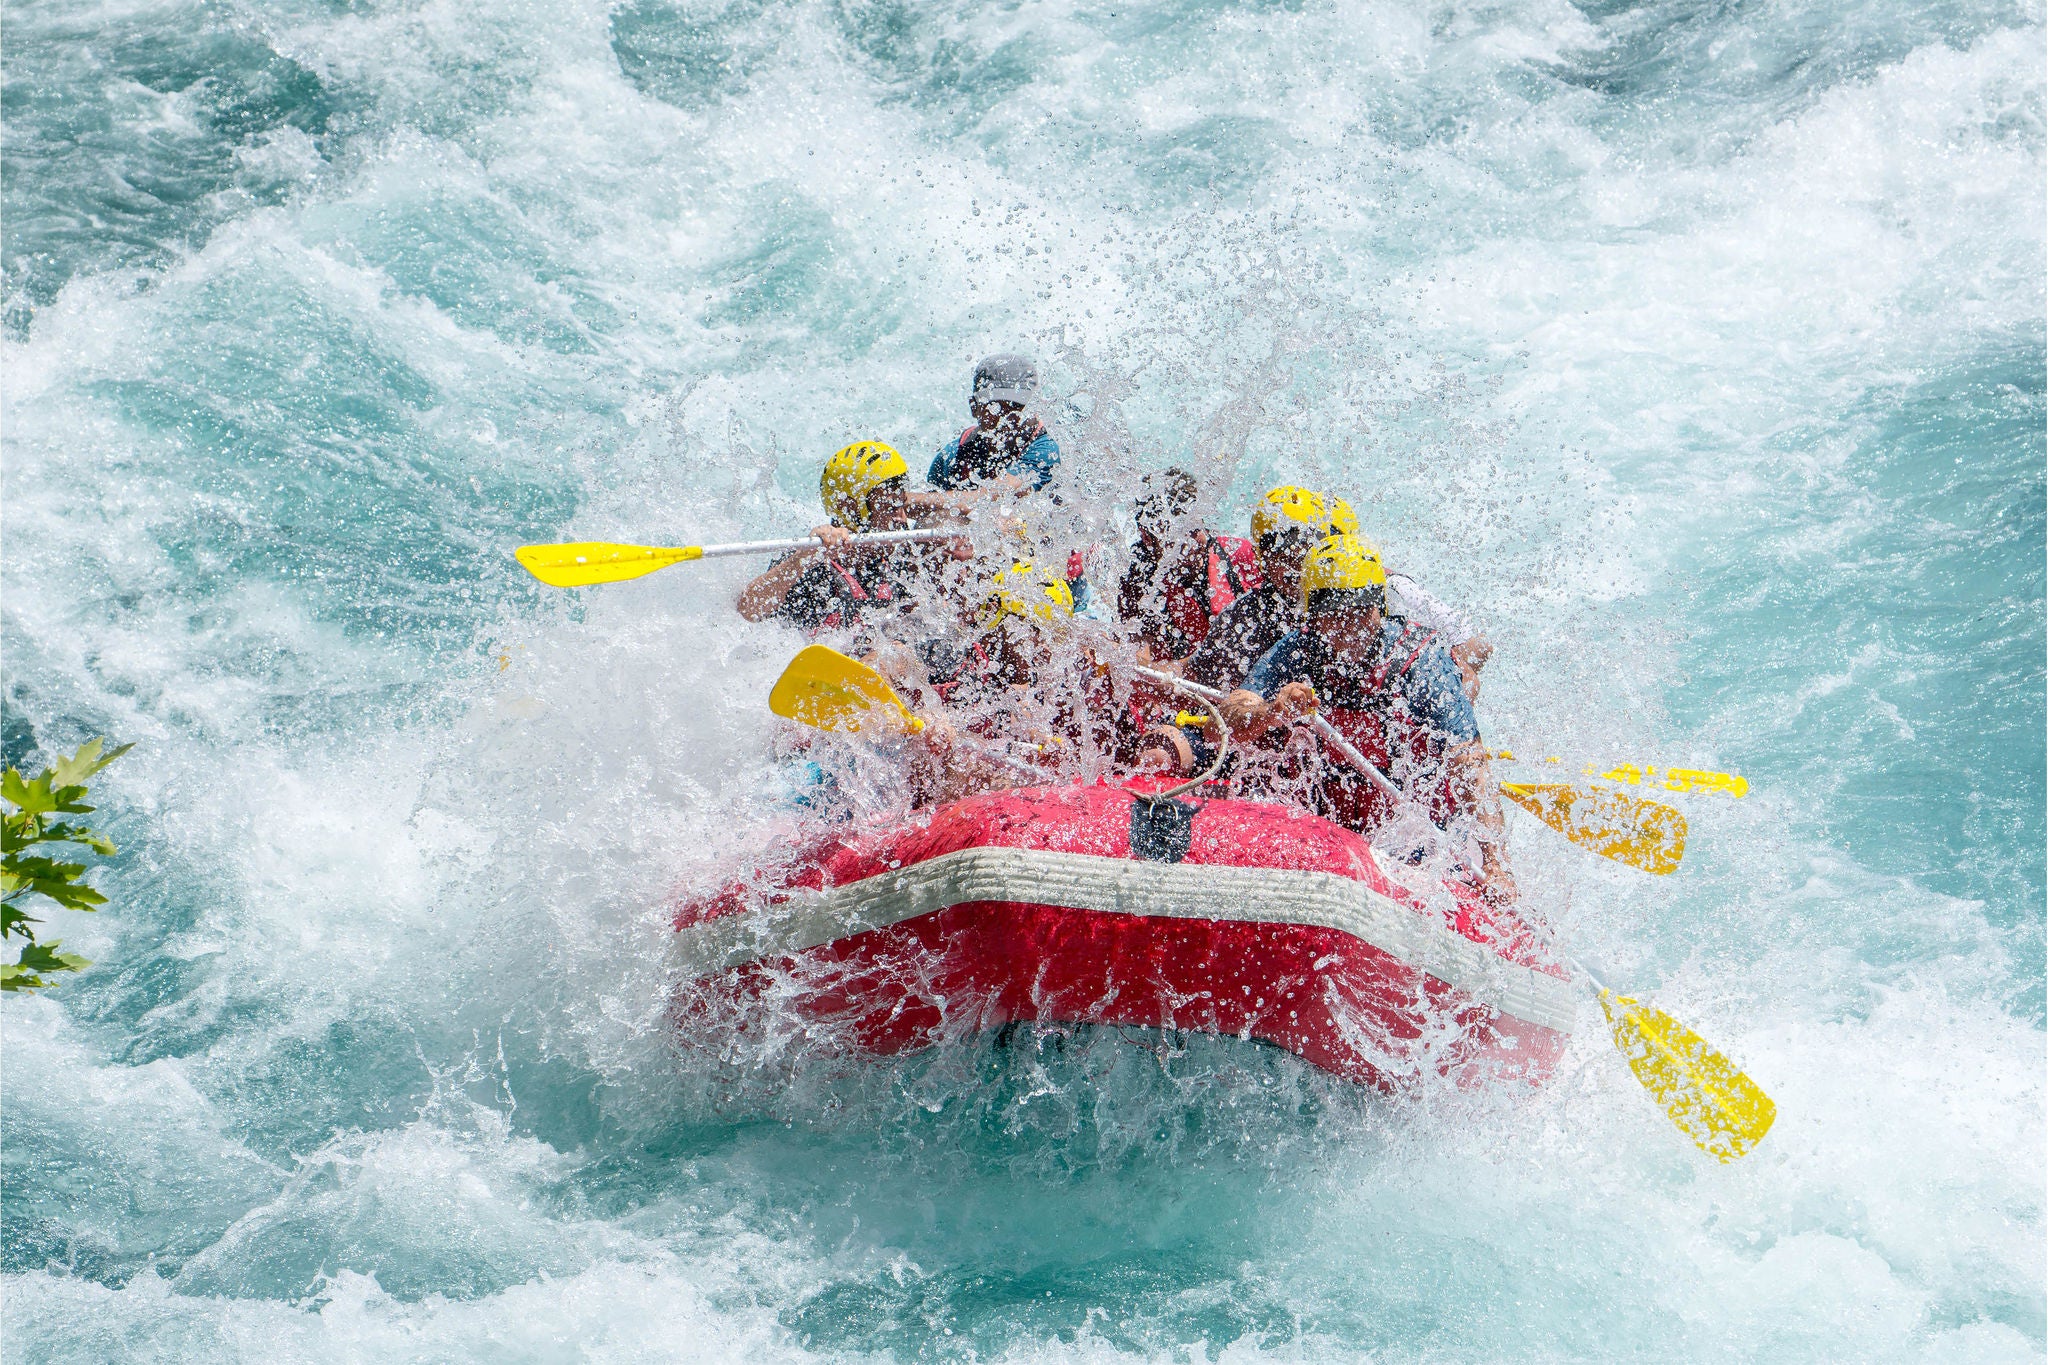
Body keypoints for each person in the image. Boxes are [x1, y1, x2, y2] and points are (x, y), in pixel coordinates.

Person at [1218, 534, 1516, 901]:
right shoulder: (1298, 647)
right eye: (1333, 611)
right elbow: (1231, 716)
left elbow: (1471, 766)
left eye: (1360, 608)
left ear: (1379, 606)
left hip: (1415, 833)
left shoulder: (1419, 661)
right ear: (1312, 612)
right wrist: (1270, 711)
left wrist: (1496, 865)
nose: (1348, 624)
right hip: (1331, 824)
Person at [736, 441, 920, 633]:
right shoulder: (811, 564)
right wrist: (803, 558)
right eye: (890, 507)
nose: (902, 518)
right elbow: (747, 610)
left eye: (902, 505)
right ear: (850, 508)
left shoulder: (899, 562)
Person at [1179, 485, 1340, 692]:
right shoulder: (1244, 616)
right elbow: (1193, 674)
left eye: (1304, 552)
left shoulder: (1349, 597)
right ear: (1262, 559)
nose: (1294, 567)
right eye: (1282, 554)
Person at [1114, 468, 1262, 661]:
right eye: (1178, 535)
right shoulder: (1140, 582)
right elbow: (1136, 653)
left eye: (1194, 529)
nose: (1192, 543)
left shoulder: (1239, 555)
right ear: (1147, 537)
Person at [927, 354, 1061, 495]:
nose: (1010, 416)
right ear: (974, 407)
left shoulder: (1046, 450)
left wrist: (908, 500)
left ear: (1036, 407)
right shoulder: (951, 456)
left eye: (1017, 406)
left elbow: (994, 496)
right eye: (997, 407)